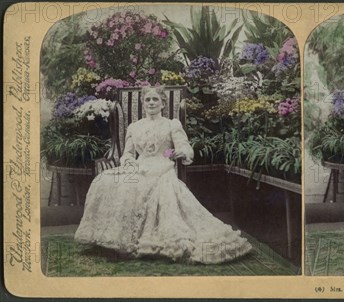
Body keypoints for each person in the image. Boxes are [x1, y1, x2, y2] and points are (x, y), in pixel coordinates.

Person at [75, 86, 252, 264]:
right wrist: (128, 162)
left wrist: (180, 153)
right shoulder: (134, 127)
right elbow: (127, 153)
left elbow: (185, 147)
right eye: (148, 100)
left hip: (161, 168)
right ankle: (110, 237)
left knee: (136, 186)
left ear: (162, 104)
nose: (151, 103)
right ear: (143, 104)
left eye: (155, 100)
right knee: (105, 180)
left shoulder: (171, 124)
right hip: (138, 167)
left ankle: (135, 240)